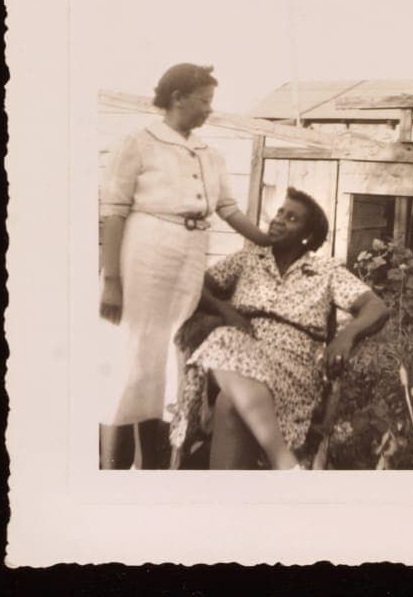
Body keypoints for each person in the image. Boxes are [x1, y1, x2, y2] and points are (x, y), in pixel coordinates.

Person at [98, 63, 271, 469]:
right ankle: (112, 469)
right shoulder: (139, 143)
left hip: (187, 260)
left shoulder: (209, 155)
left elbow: (228, 209)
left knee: (167, 351)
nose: (210, 110)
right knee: (133, 353)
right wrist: (111, 281)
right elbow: (115, 213)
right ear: (178, 98)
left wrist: (266, 238)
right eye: (205, 101)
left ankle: (153, 462)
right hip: (145, 254)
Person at [170, 188, 390, 470]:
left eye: (292, 218)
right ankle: (285, 465)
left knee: (229, 402)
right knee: (225, 337)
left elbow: (376, 306)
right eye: (279, 213)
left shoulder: (326, 271)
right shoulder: (248, 259)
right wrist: (227, 311)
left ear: (307, 236)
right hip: (239, 354)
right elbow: (196, 285)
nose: (279, 220)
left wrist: (347, 335)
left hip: (292, 370)